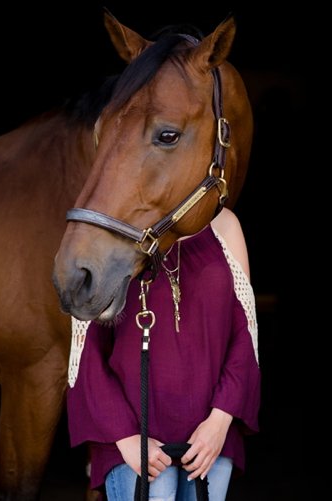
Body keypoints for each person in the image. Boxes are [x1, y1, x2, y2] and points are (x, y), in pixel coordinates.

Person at [66, 206, 261, 501]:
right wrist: (125, 437)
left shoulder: (224, 225)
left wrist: (220, 421)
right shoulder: (112, 224)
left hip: (211, 440)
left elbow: (245, 333)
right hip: (135, 441)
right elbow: (87, 351)